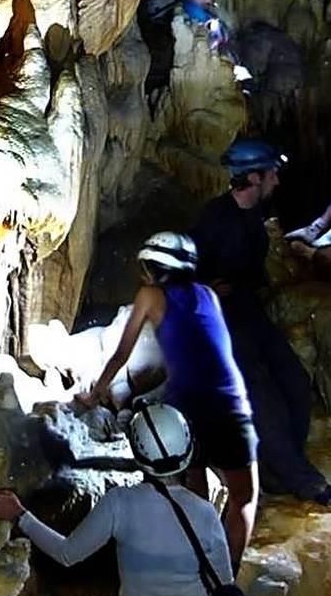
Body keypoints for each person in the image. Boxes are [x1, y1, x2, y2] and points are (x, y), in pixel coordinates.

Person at [79, 232, 259, 567]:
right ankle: (226, 580)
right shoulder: (208, 295)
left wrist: (95, 392)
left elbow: (121, 353)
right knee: (243, 500)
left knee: (194, 493)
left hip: (187, 411)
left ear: (154, 268)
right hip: (230, 404)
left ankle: (197, 567)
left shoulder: (150, 295)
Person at [190, 139, 331, 505]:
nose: (277, 179)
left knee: (295, 381)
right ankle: (305, 482)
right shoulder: (214, 219)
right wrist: (202, 288)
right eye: (272, 173)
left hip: (248, 310)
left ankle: (277, 470)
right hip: (220, 320)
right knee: (263, 398)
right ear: (255, 177)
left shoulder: (251, 216)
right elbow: (174, 269)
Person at [0, 403, 236, 596]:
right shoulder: (205, 513)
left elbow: (67, 554)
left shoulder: (119, 504)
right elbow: (224, 583)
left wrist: (20, 515)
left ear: (138, 453)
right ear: (187, 452)